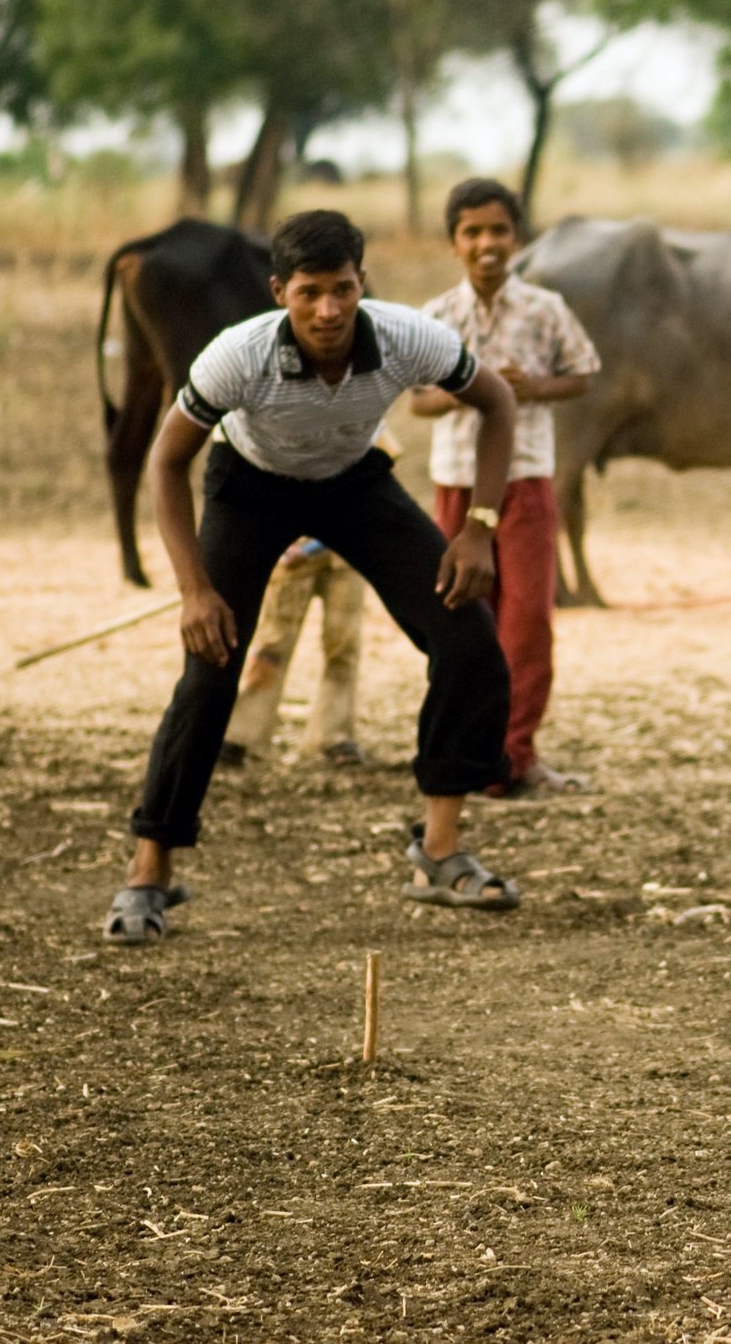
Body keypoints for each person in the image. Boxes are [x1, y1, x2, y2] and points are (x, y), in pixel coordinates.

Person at [105, 210, 524, 947]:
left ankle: (439, 851)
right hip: (249, 486)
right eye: (308, 293)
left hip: (352, 483)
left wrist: (479, 528)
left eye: (342, 289)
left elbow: (498, 400)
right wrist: (194, 589)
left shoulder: (404, 337)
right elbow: (167, 463)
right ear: (279, 292)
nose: (328, 310)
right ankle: (149, 871)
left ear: (364, 284)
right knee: (210, 670)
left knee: (469, 641)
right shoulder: (237, 356)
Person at [412, 178, 600, 798]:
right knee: (464, 619)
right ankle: (464, 753)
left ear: (518, 239)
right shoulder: (439, 316)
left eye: (498, 231)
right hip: (457, 484)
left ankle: (514, 756)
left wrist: (533, 387)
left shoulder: (545, 308)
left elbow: (584, 373)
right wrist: (465, 391)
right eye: (472, 233)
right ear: (454, 243)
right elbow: (417, 401)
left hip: (524, 480)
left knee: (526, 621)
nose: (486, 244)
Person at [217, 538, 369, 768]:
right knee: (273, 645)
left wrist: (316, 547)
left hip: (347, 553)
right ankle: (240, 734)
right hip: (293, 547)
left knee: (344, 646)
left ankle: (335, 735)